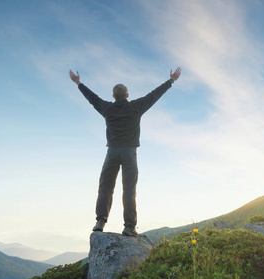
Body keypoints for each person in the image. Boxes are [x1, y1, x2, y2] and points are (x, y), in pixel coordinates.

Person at [69, 67, 182, 236]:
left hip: (112, 153)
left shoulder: (107, 108)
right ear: (127, 95)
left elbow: (91, 98)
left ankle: (100, 221)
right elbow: (154, 95)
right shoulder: (136, 107)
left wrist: (78, 83)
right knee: (129, 189)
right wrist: (171, 81)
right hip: (130, 153)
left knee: (105, 187)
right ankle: (129, 226)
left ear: (113, 96)